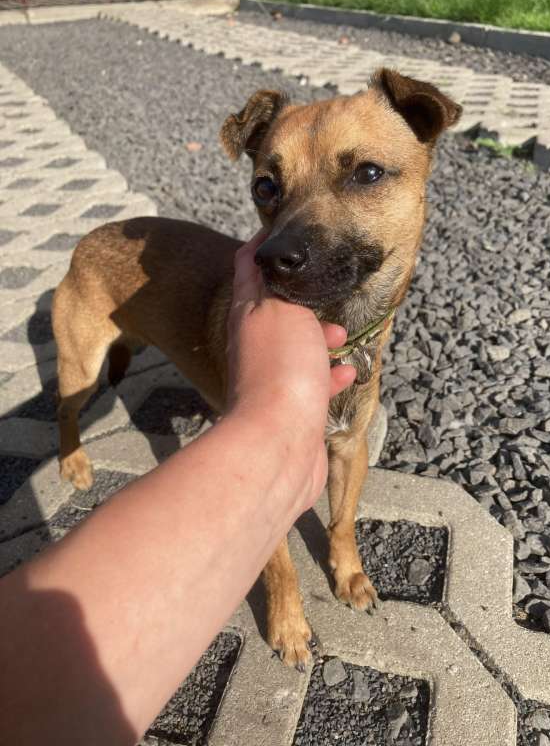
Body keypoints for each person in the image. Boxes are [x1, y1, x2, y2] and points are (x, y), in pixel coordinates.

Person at [0, 231, 357, 746]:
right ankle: (67, 434)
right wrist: (270, 439)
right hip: (100, 276)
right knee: (77, 387)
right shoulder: (99, 265)